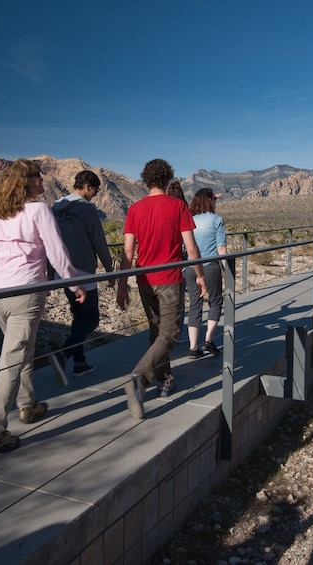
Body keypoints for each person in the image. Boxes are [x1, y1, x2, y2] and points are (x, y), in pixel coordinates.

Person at [0, 159, 86, 452]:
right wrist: (74, 284)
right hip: (26, 293)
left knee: (21, 348)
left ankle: (27, 405)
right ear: (25, 182)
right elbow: (57, 251)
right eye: (37, 178)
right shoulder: (39, 210)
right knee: (12, 360)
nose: (42, 182)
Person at [117, 159, 206, 418]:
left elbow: (128, 252)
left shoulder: (135, 209)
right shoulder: (178, 206)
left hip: (144, 279)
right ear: (168, 179)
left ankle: (164, 379)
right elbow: (191, 248)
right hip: (169, 279)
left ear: (146, 180)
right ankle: (139, 378)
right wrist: (200, 275)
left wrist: (123, 285)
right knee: (170, 333)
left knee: (157, 331)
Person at [49, 170, 115, 380]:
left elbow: (49, 241)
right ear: (87, 185)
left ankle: (80, 363)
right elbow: (99, 241)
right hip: (82, 272)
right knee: (92, 319)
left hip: (61, 271)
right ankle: (63, 353)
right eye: (95, 189)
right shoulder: (86, 209)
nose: (95, 194)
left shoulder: (57, 206)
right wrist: (109, 269)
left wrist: (50, 273)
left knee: (79, 317)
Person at [185, 188, 228, 359]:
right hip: (210, 266)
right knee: (216, 302)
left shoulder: (190, 220)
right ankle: (209, 340)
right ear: (209, 200)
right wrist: (228, 269)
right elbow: (221, 248)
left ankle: (193, 347)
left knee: (195, 304)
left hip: (190, 266)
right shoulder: (216, 220)